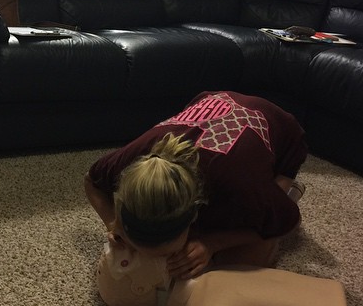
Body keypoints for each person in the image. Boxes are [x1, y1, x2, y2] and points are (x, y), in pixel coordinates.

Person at [85, 91, 308, 280]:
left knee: (241, 264)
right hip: (211, 101)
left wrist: (212, 243)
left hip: (281, 132)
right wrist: (113, 223)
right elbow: (91, 181)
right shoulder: (129, 161)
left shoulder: (239, 185)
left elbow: (290, 221)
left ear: (194, 218)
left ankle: (288, 191)